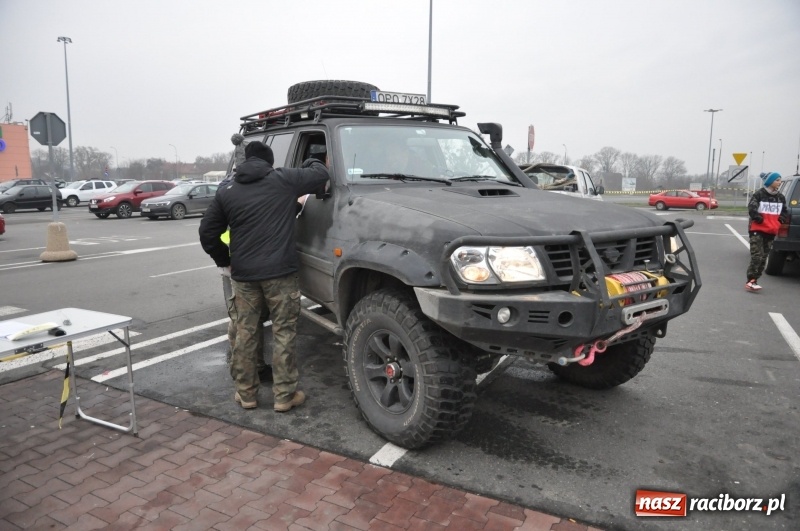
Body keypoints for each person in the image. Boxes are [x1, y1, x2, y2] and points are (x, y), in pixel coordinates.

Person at [199, 141, 329, 411]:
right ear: (270, 163)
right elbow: (320, 175)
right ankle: (284, 396)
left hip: (245, 276)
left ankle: (246, 394)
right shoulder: (283, 179)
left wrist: (226, 261)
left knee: (246, 333)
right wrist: (310, 161)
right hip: (281, 274)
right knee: (284, 333)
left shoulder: (228, 190)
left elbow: (207, 233)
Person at [745, 171, 787, 292]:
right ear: (770, 181)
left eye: (780, 180)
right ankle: (750, 280)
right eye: (777, 180)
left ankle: (755, 280)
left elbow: (784, 211)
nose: (779, 182)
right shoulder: (759, 194)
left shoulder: (780, 197)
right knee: (756, 256)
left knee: (764, 258)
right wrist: (759, 219)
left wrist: (779, 221)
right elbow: (752, 208)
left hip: (771, 231)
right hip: (757, 230)